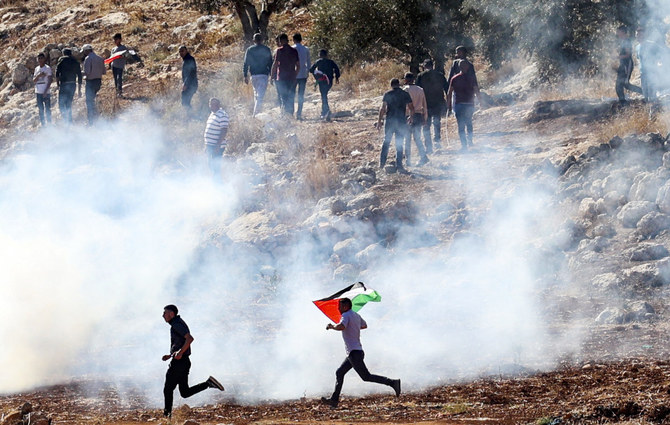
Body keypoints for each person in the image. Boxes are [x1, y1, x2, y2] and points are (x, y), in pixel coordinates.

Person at [320, 298, 401, 408]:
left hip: (354, 353)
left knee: (366, 376)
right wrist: (353, 328)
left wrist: (332, 326)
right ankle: (334, 401)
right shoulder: (356, 315)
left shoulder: (346, 315)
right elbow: (364, 325)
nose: (338, 309)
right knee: (339, 372)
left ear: (345, 306)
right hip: (354, 353)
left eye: (340, 306)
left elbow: (341, 326)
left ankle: (392, 382)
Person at [162, 304, 224, 418]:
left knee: (168, 390)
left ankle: (167, 418)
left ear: (171, 314)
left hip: (179, 363)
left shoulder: (176, 324)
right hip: (184, 363)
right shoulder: (178, 323)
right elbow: (181, 343)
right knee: (184, 392)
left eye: (165, 313)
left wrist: (180, 353)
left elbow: (189, 339)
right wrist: (170, 355)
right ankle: (208, 383)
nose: (163, 315)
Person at [376, 78, 414, 172]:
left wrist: (379, 121)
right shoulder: (405, 94)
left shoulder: (388, 94)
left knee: (386, 142)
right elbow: (411, 107)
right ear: (399, 84)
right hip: (401, 121)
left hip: (389, 121)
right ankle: (399, 165)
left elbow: (382, 109)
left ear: (391, 85)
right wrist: (411, 117)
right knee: (399, 142)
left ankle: (382, 164)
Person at [417, 60, 448, 152]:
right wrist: (448, 101)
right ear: (432, 65)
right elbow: (447, 88)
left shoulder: (421, 76)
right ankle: (437, 142)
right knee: (437, 122)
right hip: (438, 102)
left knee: (426, 124)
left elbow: (417, 89)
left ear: (424, 66)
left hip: (425, 103)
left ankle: (428, 146)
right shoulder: (440, 75)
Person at [447, 60, 478, 151]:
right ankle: (470, 141)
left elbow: (449, 92)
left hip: (459, 105)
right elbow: (477, 90)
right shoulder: (471, 78)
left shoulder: (454, 78)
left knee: (461, 125)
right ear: (467, 67)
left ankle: (464, 145)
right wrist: (481, 101)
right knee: (469, 123)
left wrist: (448, 105)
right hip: (469, 104)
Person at [243, 33, 273, 116]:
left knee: (256, 95)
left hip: (253, 76)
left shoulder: (249, 50)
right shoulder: (266, 49)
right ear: (262, 40)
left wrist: (245, 75)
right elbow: (270, 63)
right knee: (260, 96)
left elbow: (246, 63)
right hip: (263, 75)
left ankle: (257, 114)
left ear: (254, 40)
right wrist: (271, 75)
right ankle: (255, 115)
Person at [402, 72, 429, 166]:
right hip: (418, 115)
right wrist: (425, 118)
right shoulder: (420, 90)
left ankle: (408, 160)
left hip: (408, 116)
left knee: (407, 139)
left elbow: (404, 105)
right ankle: (423, 157)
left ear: (406, 80)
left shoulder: (405, 90)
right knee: (417, 138)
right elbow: (424, 105)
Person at [271, 33, 299, 115]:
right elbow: (298, 65)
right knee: (291, 96)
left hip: (281, 78)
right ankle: (290, 114)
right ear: (287, 40)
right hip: (292, 77)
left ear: (280, 41)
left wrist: (272, 76)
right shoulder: (294, 51)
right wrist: (295, 75)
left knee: (283, 97)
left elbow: (275, 64)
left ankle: (284, 115)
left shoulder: (279, 51)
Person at [309, 49, 340, 121]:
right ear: (326, 55)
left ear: (320, 55)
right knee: (324, 94)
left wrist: (316, 75)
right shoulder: (331, 62)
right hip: (329, 80)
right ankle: (326, 110)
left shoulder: (318, 61)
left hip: (322, 80)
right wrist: (337, 77)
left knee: (323, 95)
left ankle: (325, 111)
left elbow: (311, 70)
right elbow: (336, 69)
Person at [615, 26, 642, 104]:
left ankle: (623, 103)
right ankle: (644, 92)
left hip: (627, 66)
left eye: (618, 31)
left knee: (619, 85)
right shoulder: (623, 41)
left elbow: (628, 55)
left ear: (623, 32)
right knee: (625, 85)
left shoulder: (627, 41)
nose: (617, 33)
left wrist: (617, 56)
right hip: (623, 65)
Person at [55, 48, 82, 124]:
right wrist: (79, 90)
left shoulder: (61, 60)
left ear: (63, 53)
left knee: (61, 103)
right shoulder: (75, 62)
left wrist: (58, 85)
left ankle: (65, 120)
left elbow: (57, 73)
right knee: (68, 104)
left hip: (64, 85)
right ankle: (69, 121)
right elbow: (79, 76)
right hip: (73, 84)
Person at [204, 97, 229, 177]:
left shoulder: (222, 115)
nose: (212, 106)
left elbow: (224, 131)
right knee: (210, 163)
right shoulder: (212, 114)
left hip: (216, 146)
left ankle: (218, 183)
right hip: (210, 145)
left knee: (215, 166)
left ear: (218, 105)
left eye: (214, 104)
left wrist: (218, 145)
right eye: (211, 104)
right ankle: (214, 181)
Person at [82, 44, 106, 124]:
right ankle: (98, 118)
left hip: (90, 82)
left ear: (86, 51)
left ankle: (91, 121)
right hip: (98, 81)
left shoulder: (88, 58)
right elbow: (104, 72)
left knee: (89, 101)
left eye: (84, 51)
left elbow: (87, 72)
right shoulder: (100, 58)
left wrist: (80, 73)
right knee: (95, 100)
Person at [292, 33, 311, 120]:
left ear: (293, 39)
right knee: (301, 94)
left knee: (292, 93)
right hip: (303, 73)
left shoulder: (292, 48)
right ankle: (299, 113)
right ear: (301, 39)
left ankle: (291, 112)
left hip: (294, 74)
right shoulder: (306, 49)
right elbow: (309, 62)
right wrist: (308, 71)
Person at [33, 53, 53, 126]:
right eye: (39, 58)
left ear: (44, 59)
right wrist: (39, 75)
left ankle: (49, 124)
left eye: (42, 58)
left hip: (46, 92)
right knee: (40, 109)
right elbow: (34, 80)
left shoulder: (47, 68)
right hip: (38, 92)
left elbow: (50, 80)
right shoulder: (36, 69)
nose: (40, 60)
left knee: (48, 109)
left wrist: (45, 91)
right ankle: (43, 125)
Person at [179, 46, 198, 114]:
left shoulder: (189, 59)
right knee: (185, 101)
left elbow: (190, 73)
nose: (181, 53)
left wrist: (185, 84)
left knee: (185, 101)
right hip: (190, 84)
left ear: (186, 51)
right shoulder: (186, 59)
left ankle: (191, 116)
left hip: (191, 84)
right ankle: (189, 115)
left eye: (182, 51)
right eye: (180, 51)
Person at [110, 33, 127, 97]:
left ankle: (120, 92)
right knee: (115, 79)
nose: (115, 41)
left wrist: (121, 56)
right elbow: (111, 57)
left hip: (120, 66)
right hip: (114, 66)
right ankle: (117, 91)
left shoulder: (123, 48)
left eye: (116, 39)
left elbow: (126, 56)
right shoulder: (113, 49)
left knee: (119, 78)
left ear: (120, 40)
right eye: (114, 40)